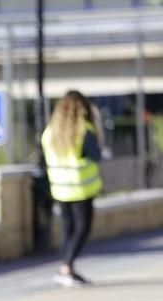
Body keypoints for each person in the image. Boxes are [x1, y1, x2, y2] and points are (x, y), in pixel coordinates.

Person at [40, 89, 103, 287]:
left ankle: (67, 268)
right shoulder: (84, 131)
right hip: (81, 189)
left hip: (60, 188)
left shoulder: (50, 131)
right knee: (82, 228)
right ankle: (66, 268)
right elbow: (96, 155)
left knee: (68, 229)